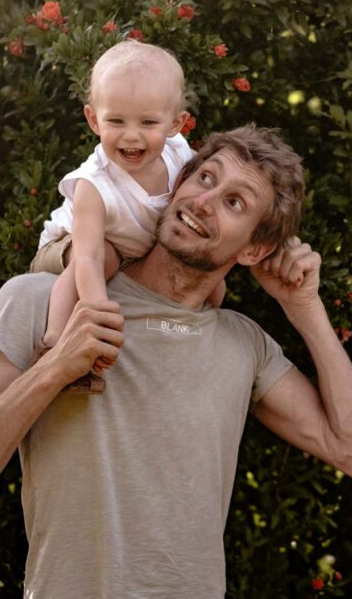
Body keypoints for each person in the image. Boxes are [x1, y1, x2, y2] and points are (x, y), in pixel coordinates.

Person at [0, 124, 352, 597]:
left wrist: (305, 309)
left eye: (235, 203)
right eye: (205, 178)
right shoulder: (43, 301)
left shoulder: (242, 344)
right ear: (178, 183)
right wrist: (55, 365)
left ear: (254, 249)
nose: (204, 202)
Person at [32, 39, 218, 393]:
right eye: (116, 120)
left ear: (175, 124)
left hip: (129, 247)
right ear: (93, 119)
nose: (131, 135)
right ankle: (54, 343)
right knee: (105, 259)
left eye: (148, 122)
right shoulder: (94, 185)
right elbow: (86, 257)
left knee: (215, 285)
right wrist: (97, 310)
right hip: (68, 246)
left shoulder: (180, 155)